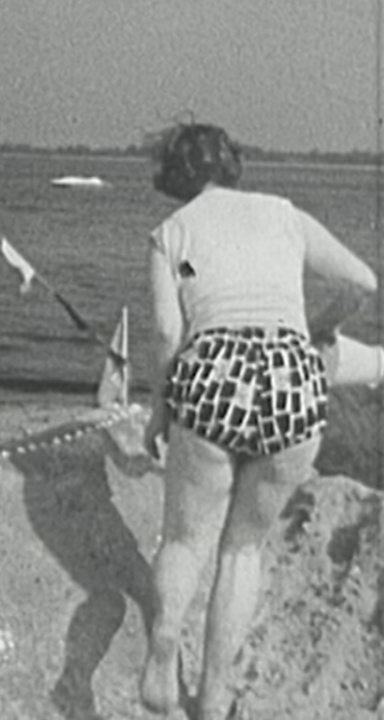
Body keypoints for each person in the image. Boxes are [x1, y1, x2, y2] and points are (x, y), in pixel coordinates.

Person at [138, 123, 378, 719]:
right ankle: (215, 695)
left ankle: (165, 642)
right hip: (293, 378)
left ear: (174, 176)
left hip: (213, 372)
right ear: (233, 164)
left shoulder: (171, 232)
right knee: (242, 550)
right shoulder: (283, 213)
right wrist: (317, 327)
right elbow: (362, 282)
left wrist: (160, 408)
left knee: (186, 541)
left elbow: (169, 333)